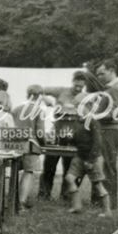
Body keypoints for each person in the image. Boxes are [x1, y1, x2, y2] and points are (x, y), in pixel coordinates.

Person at [65, 73, 112, 217]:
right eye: (76, 106)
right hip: (80, 156)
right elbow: (77, 138)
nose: (77, 109)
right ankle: (76, 205)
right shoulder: (78, 121)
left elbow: (98, 143)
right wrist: (69, 138)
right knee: (69, 178)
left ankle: (107, 211)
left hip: (93, 158)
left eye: (79, 106)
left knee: (98, 184)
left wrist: (91, 161)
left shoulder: (93, 121)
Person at [39, 71, 88, 201]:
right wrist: (46, 99)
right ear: (73, 81)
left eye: (82, 83)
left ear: (84, 84)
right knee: (49, 164)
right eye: (77, 81)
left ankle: (66, 195)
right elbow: (40, 89)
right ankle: (44, 194)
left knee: (69, 166)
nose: (79, 85)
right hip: (57, 131)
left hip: (74, 134)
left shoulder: (85, 96)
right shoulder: (61, 90)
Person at [94, 59, 118, 209]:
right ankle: (103, 200)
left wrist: (93, 116)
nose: (99, 77)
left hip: (110, 131)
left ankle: (110, 203)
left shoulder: (115, 89)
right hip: (107, 130)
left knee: (107, 166)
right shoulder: (110, 89)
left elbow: (116, 113)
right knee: (103, 164)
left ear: (112, 70)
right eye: (97, 75)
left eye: (102, 73)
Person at [12, 85, 48, 210]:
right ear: (39, 96)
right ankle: (21, 203)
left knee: (14, 172)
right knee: (28, 172)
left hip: (14, 144)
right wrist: (45, 143)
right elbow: (40, 133)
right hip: (31, 145)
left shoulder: (16, 109)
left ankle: (12, 201)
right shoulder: (39, 110)